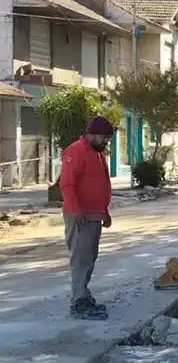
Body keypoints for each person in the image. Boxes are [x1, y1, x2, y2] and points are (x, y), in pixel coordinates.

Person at [60, 116, 114, 320]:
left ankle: (84, 295)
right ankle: (79, 303)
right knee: (81, 259)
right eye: (103, 138)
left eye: (108, 139)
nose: (105, 142)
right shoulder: (76, 151)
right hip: (80, 216)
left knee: (89, 257)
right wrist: (75, 211)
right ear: (90, 134)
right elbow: (67, 184)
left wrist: (104, 212)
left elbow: (98, 184)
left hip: (94, 215)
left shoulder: (96, 153)